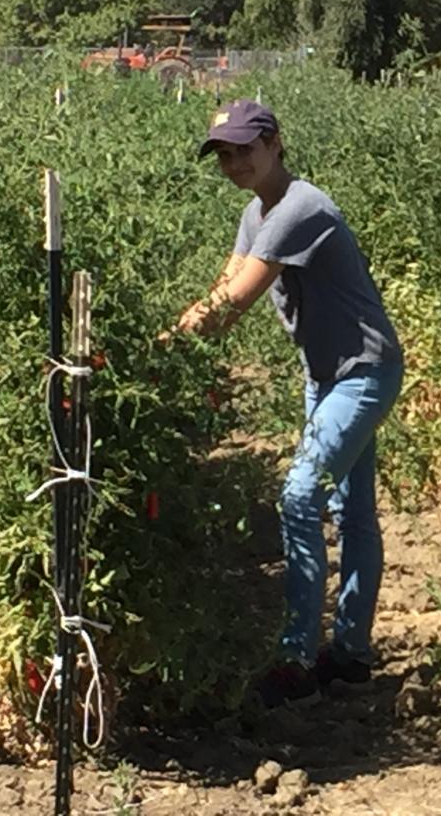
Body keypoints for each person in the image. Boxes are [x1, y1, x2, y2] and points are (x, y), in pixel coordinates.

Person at [168, 98, 405, 707]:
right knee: (352, 511)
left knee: (301, 495)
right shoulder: (259, 212)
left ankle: (297, 654)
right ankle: (349, 655)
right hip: (325, 377)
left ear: (274, 143)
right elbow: (223, 284)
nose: (233, 163)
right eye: (223, 154)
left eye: (244, 149)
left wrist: (159, 345)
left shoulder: (300, 208)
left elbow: (231, 304)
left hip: (363, 373)